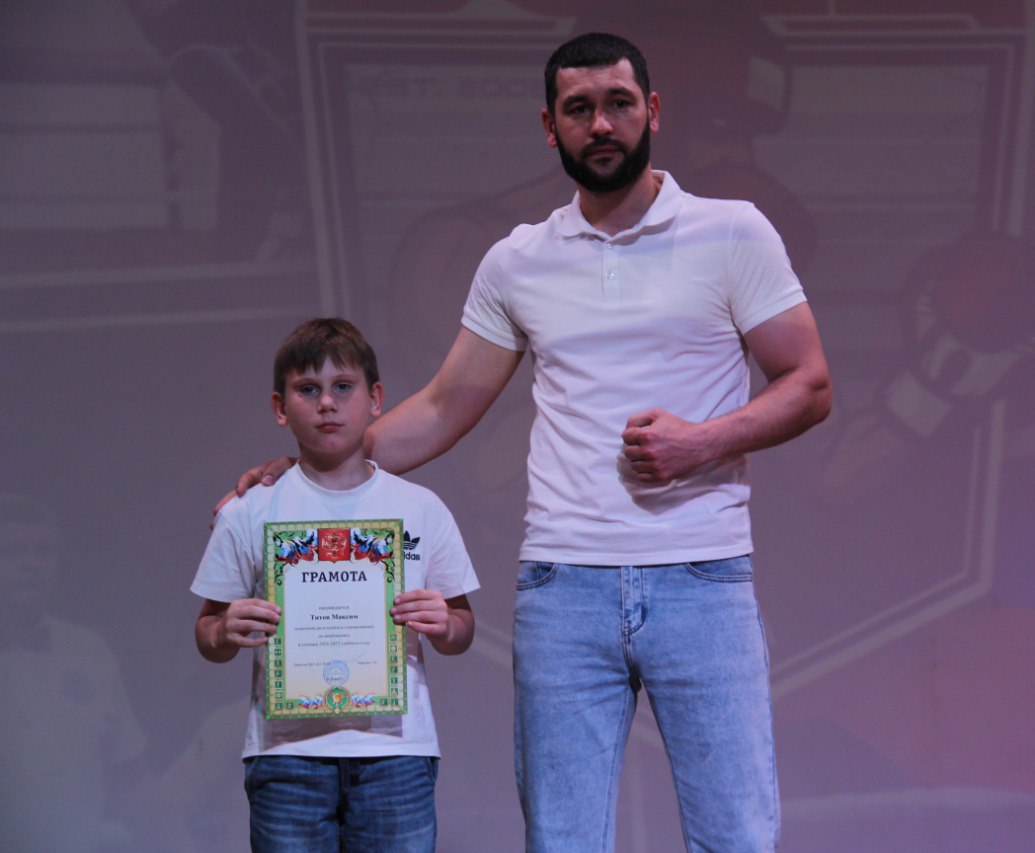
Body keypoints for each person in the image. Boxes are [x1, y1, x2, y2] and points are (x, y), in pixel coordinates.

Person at [230, 33, 831, 851]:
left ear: (652, 111)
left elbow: (809, 383)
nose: (601, 124)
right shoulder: (518, 260)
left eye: (618, 103)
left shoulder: (731, 232)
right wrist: (311, 471)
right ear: (550, 126)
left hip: (702, 575)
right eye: (578, 109)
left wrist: (702, 443)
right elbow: (443, 405)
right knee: (561, 841)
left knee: (737, 837)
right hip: (563, 585)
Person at [196, 317, 479, 851]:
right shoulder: (251, 510)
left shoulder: (420, 508)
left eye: (343, 387)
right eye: (308, 389)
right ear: (280, 407)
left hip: (396, 754)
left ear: (375, 399)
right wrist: (225, 628)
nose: (327, 403)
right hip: (287, 756)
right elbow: (207, 634)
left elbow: (462, 628)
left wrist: (446, 624)